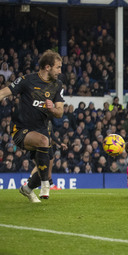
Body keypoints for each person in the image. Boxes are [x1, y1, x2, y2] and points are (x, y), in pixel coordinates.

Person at [0, 49, 64, 203]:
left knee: (47, 166)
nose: (60, 71)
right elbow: (3, 93)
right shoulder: (27, 80)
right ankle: (45, 185)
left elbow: (60, 112)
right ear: (47, 67)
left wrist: (52, 109)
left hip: (42, 130)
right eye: (58, 67)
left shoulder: (57, 85)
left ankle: (27, 189)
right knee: (43, 142)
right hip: (21, 129)